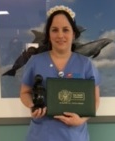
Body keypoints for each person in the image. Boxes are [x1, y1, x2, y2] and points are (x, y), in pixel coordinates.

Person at [20, 5, 100, 141]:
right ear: (49, 34)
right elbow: (24, 93)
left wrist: (81, 120)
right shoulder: (35, 62)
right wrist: (32, 105)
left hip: (74, 136)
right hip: (41, 135)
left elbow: (95, 99)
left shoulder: (85, 64)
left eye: (66, 30)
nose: (60, 35)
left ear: (73, 34)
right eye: (55, 30)